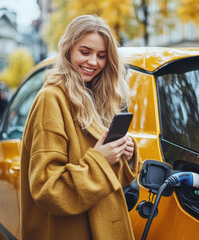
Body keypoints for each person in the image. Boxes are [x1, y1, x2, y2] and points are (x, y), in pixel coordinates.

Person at [20, 15, 142, 240]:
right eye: (85, 52)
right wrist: (100, 159)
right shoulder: (52, 98)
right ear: (68, 51)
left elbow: (111, 180)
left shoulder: (98, 98)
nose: (93, 62)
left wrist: (125, 152)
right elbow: (48, 188)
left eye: (102, 56)